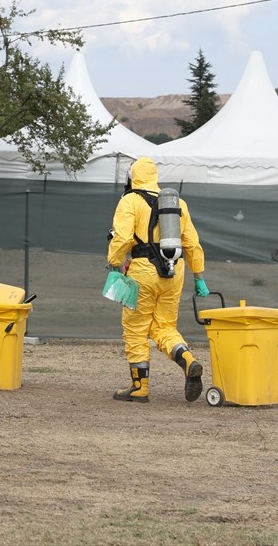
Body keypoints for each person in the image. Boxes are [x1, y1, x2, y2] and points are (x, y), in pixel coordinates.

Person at [106, 156, 209, 403]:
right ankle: (187, 360)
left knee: (136, 328)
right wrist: (199, 276)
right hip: (174, 271)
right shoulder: (178, 203)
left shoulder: (130, 200)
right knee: (164, 326)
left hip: (142, 270)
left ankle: (139, 387)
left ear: (132, 178)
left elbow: (121, 238)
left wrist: (113, 262)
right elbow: (192, 243)